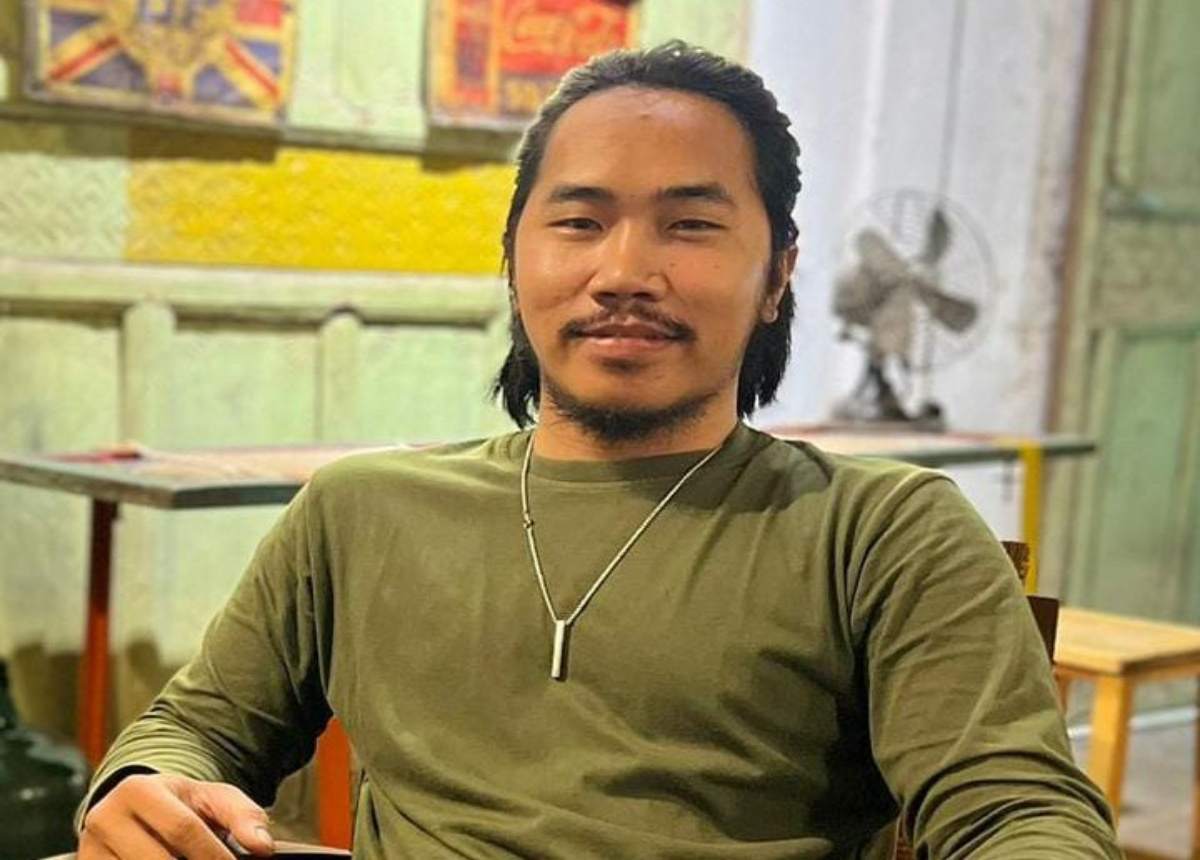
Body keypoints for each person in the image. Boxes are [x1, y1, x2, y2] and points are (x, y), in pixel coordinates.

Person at [77, 42, 1120, 859]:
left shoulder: (881, 530)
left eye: (690, 225)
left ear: (777, 274)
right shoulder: (358, 510)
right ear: (515, 257)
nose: (624, 272)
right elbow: (193, 730)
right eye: (578, 221)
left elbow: (1017, 810)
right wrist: (143, 787)